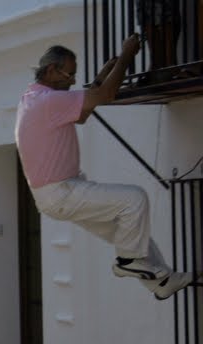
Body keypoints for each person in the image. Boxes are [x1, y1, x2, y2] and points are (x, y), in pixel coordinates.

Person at [16, 38, 198, 300]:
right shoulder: (48, 101)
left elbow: (82, 114)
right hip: (62, 192)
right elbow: (105, 96)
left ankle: (162, 282)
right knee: (134, 200)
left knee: (130, 233)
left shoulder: (34, 98)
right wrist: (126, 57)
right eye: (69, 74)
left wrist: (105, 74)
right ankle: (127, 262)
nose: (71, 81)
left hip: (58, 193)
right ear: (51, 71)